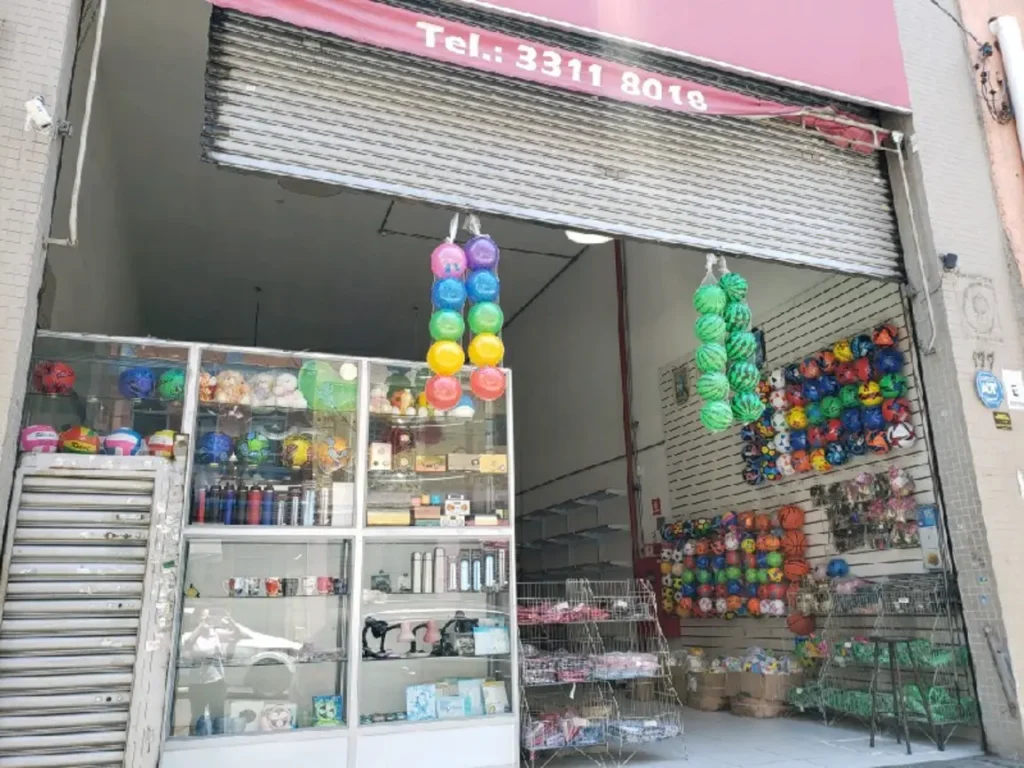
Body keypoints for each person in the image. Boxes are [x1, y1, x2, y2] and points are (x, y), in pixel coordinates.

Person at [180, 607, 231, 733]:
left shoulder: (215, 635)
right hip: (198, 684)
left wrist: (231, 621)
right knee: (198, 717)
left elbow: (235, 636)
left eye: (209, 617)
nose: (208, 620)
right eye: (205, 617)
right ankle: (196, 740)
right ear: (197, 619)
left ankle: (217, 740)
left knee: (217, 718)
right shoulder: (189, 636)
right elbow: (186, 651)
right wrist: (199, 628)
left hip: (216, 682)